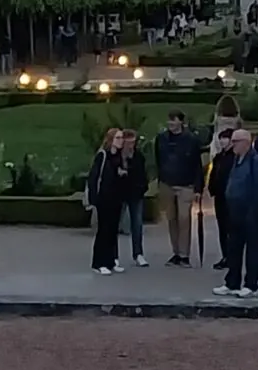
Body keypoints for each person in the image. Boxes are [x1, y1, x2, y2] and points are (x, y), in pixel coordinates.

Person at [213, 129, 258, 298]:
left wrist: (255, 212)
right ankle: (232, 282)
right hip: (235, 211)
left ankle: (251, 285)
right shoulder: (236, 160)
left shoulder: (256, 161)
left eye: (236, 141)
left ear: (246, 142)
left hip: (251, 212)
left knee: (253, 249)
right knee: (234, 248)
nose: (233, 144)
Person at [154, 110, 205, 267]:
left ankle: (184, 255)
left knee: (184, 219)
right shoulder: (161, 139)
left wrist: (198, 188)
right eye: (169, 121)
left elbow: (198, 165)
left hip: (186, 184)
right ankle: (176, 252)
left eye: (173, 121)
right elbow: (158, 160)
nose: (170, 124)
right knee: (171, 219)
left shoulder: (191, 140)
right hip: (167, 183)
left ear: (181, 122)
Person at [86, 128, 128, 275]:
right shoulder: (103, 156)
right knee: (103, 231)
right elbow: (94, 178)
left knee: (112, 231)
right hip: (104, 199)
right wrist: (93, 199)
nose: (121, 140)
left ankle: (111, 261)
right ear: (110, 140)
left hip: (116, 199)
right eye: (117, 138)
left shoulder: (119, 157)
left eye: (122, 138)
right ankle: (99, 263)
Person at [120, 128, 150, 267]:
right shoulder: (117, 157)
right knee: (113, 224)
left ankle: (138, 254)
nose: (131, 146)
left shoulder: (138, 156)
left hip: (135, 194)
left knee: (137, 224)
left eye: (133, 143)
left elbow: (142, 174)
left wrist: (142, 188)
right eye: (128, 143)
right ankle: (113, 256)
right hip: (119, 194)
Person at [208, 127, 237, 270]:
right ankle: (225, 255)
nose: (222, 141)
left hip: (231, 197)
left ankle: (232, 256)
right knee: (222, 228)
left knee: (231, 227)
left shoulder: (235, 158)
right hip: (219, 196)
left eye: (225, 138)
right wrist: (211, 188)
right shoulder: (219, 157)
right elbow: (214, 174)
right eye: (221, 138)